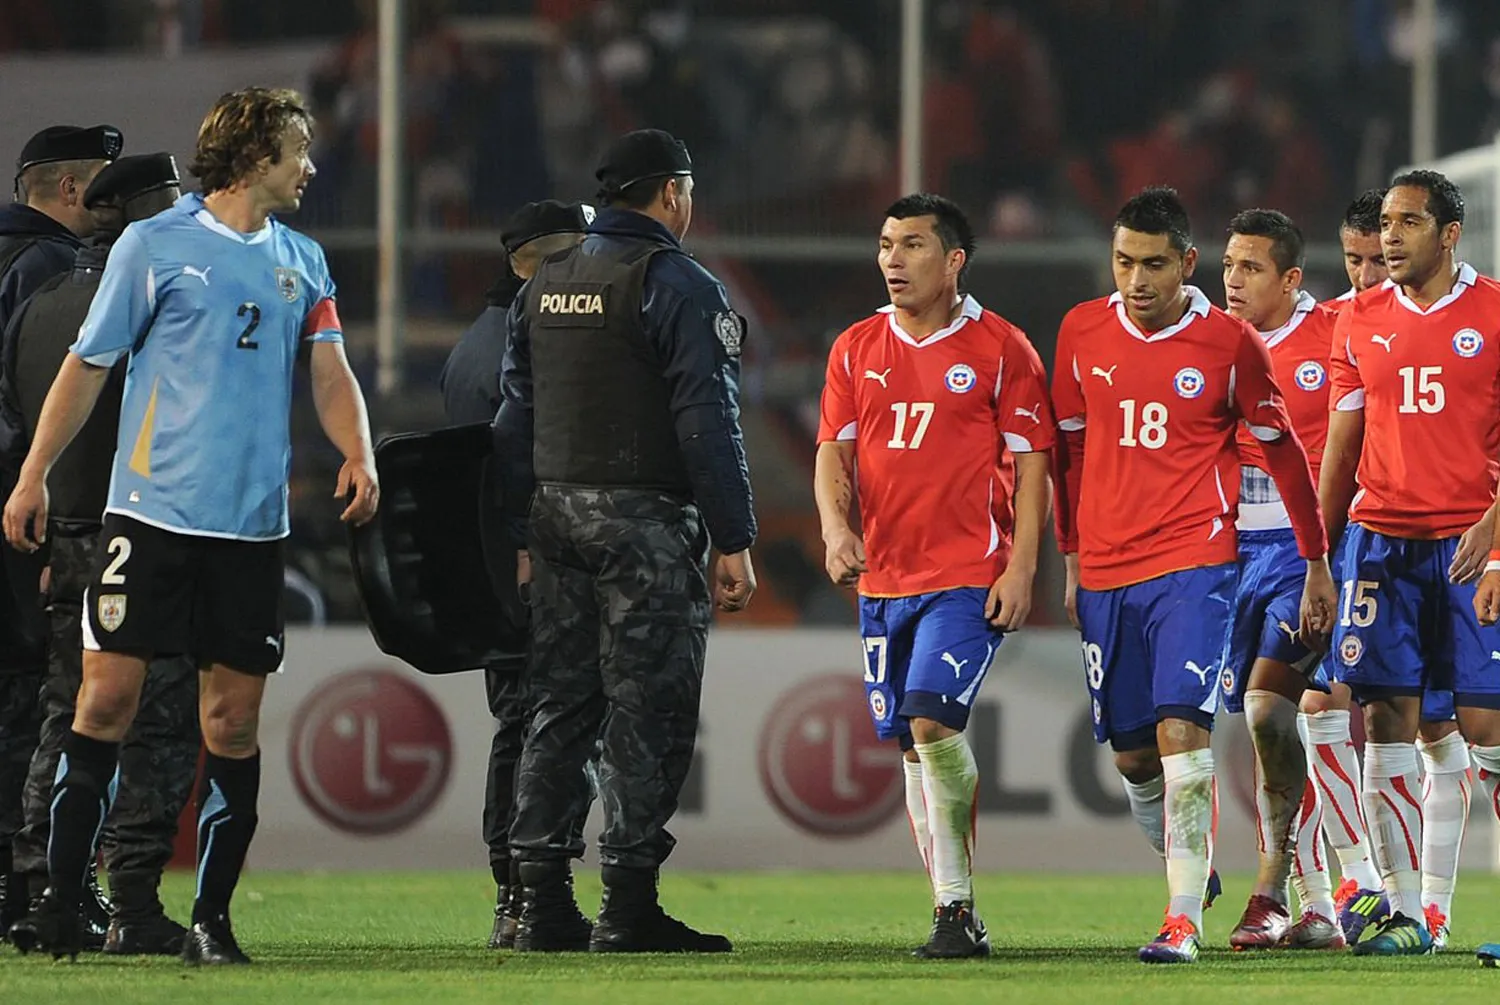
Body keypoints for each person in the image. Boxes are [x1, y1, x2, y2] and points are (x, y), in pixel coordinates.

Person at [1, 87, 379, 965]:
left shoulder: (304, 263)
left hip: (251, 530)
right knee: (104, 703)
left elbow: (331, 372)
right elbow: (87, 368)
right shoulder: (154, 245)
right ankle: (61, 904)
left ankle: (210, 921)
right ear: (255, 156)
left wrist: (358, 451)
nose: (311, 167)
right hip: (151, 519)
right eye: (298, 151)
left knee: (232, 727)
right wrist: (33, 475)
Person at [1051, 186, 1335, 964]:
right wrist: (1071, 560)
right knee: (1135, 757)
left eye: (1151, 265)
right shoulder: (1080, 331)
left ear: (1185, 262)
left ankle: (1181, 919)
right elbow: (1067, 458)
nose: (1134, 281)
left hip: (1196, 563)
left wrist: (1314, 557)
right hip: (1108, 571)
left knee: (1186, 734)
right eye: (1121, 263)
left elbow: (1285, 452)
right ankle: (1193, 868)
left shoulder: (1229, 344)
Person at [495, 128, 757, 954]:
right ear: (672, 193)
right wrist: (734, 534)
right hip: (643, 524)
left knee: (559, 706)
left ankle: (538, 902)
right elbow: (706, 422)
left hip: (555, 516)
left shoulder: (546, 283)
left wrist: (516, 528)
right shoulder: (677, 283)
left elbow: (516, 417)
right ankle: (628, 903)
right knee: (650, 710)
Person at [814, 193, 1054, 958]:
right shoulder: (854, 347)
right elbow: (832, 451)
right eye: (885, 243)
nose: (891, 258)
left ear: (953, 260)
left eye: (912, 244)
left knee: (930, 720)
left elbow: (1033, 462)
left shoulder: (1002, 348)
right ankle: (956, 907)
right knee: (914, 751)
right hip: (883, 583)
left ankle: (955, 907)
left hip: (966, 574)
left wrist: (1022, 567)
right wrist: (835, 528)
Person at [1, 153, 200, 956]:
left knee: (65, 713)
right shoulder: (161, 299)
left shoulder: (40, 303)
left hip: (66, 536)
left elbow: (20, 411)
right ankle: (133, 899)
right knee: (155, 722)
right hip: (142, 528)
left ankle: (48, 884)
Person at [1290, 188, 1480, 951]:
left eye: (1404, 229)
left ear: (1446, 235)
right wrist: (1320, 555)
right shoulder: (1351, 322)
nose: (1384, 251)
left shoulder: (1488, 314)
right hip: (1377, 542)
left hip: (1465, 543)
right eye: (1372, 240)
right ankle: (1391, 901)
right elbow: (1339, 443)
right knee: (1361, 715)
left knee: (1468, 729)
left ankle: (1431, 904)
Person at [438, 198, 591, 949]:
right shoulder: (530, 340)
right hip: (533, 559)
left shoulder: (472, 342)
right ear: (548, 259)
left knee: (518, 723)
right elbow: (513, 460)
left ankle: (513, 892)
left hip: (497, 563)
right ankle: (531, 888)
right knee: (548, 722)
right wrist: (527, 547)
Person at [0, 124, 121, 936]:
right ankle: (29, 888)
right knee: (33, 695)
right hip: (22, 508)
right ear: (72, 191)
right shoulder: (51, 273)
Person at [1216, 208, 1344, 949]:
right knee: (1241, 726)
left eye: (1251, 268)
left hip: (1305, 553)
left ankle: (1269, 890)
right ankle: (1318, 903)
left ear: (1291, 278)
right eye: (1228, 265)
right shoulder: (1210, 341)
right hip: (1224, 554)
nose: (1233, 280)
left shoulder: (1331, 337)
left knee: (1271, 709)